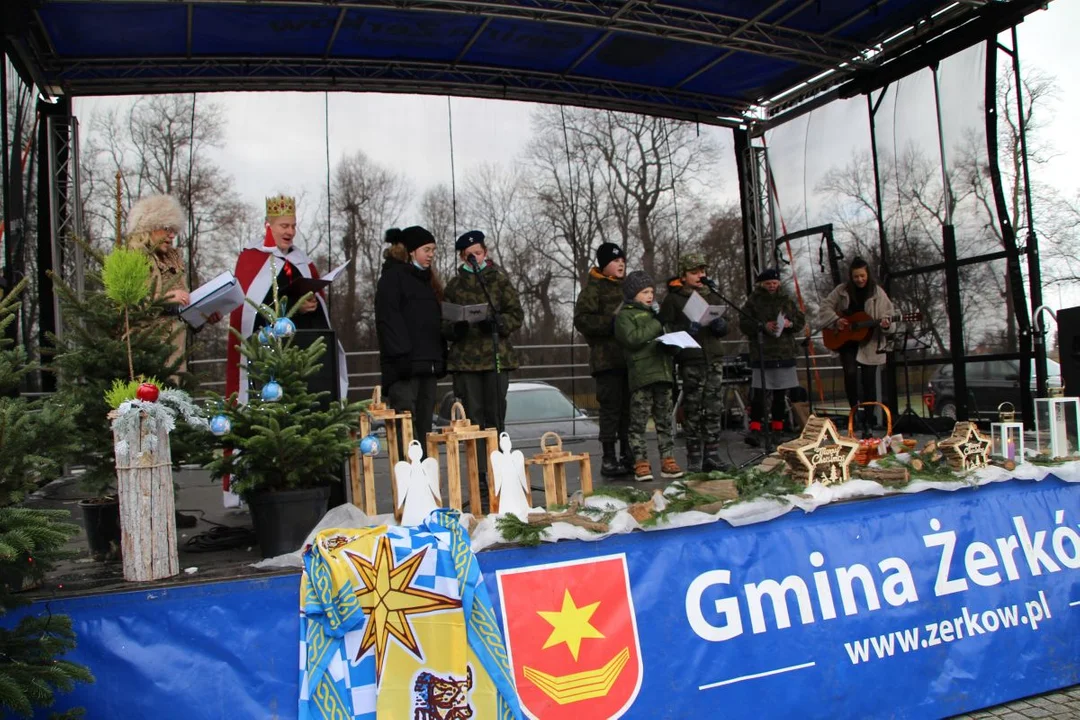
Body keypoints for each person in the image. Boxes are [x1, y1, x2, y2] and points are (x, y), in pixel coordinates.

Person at [224, 195, 348, 506]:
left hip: (303, 357)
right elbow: (249, 311)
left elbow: (316, 304)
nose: (289, 231)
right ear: (269, 226)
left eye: (293, 225)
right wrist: (286, 306)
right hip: (268, 357)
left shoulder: (302, 260)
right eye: (283, 225)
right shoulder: (251, 259)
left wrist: (310, 302)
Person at [443, 230, 524, 509]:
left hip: (495, 358)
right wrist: (458, 327)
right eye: (469, 254)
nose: (474, 257)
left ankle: (500, 473)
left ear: (485, 253)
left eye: (477, 252)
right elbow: (443, 322)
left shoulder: (498, 280)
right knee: (473, 420)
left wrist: (499, 324)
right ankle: (479, 479)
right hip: (466, 363)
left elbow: (516, 314)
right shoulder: (454, 285)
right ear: (462, 257)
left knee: (496, 417)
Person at [124, 194, 217, 377]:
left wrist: (203, 315)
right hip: (145, 353)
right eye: (167, 229)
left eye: (174, 230)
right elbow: (129, 303)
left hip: (175, 353)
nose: (172, 235)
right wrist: (167, 298)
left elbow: (183, 304)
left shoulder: (173, 259)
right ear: (149, 226)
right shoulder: (134, 257)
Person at [375, 226, 446, 451]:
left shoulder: (430, 282)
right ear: (412, 251)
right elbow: (388, 321)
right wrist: (401, 356)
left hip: (429, 366)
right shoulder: (392, 279)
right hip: (404, 369)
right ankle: (407, 480)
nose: (431, 254)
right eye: (426, 249)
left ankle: (425, 479)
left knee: (425, 428)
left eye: (433, 250)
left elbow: (432, 324)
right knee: (407, 430)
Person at [659, 253, 729, 473]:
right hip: (692, 358)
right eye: (694, 272)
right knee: (693, 408)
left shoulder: (712, 294)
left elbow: (726, 324)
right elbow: (664, 329)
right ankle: (694, 457)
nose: (701, 276)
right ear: (684, 274)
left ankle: (712, 454)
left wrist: (721, 326)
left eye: (703, 271)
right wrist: (687, 331)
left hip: (713, 358)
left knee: (714, 407)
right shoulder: (674, 298)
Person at [615, 271, 684, 482]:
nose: (650, 296)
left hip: (663, 373)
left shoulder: (657, 316)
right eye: (644, 292)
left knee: (664, 420)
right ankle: (641, 462)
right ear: (632, 294)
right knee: (639, 422)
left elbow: (666, 340)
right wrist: (657, 323)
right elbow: (633, 339)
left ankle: (668, 459)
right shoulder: (625, 316)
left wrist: (675, 345)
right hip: (642, 375)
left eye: (652, 292)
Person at [574, 243, 632, 477]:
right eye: (615, 261)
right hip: (606, 360)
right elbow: (582, 320)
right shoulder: (593, 290)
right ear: (603, 264)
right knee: (610, 410)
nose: (621, 264)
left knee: (629, 410)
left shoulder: (629, 288)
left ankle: (630, 454)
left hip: (630, 359)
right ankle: (608, 457)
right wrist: (611, 323)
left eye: (623, 260)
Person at [817, 257, 896, 420]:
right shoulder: (842, 290)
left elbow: (888, 314)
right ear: (851, 277)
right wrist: (836, 320)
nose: (859, 279)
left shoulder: (878, 293)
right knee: (850, 374)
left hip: (870, 341)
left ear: (868, 275)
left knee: (869, 380)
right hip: (847, 341)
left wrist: (886, 325)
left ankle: (869, 418)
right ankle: (854, 413)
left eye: (862, 276)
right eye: (856, 277)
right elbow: (825, 306)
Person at [739, 268, 806, 447]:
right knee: (759, 394)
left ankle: (778, 429)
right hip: (762, 353)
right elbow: (744, 323)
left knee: (780, 394)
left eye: (775, 283)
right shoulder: (753, 301)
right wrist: (762, 326)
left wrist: (789, 324)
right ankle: (755, 428)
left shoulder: (786, 300)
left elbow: (800, 320)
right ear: (761, 284)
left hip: (784, 352)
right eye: (768, 284)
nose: (772, 286)